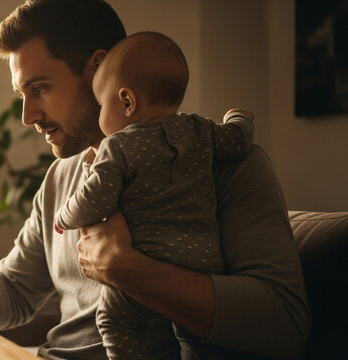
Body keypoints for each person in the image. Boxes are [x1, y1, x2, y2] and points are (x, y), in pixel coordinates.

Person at [0, 1, 311, 358]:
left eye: (39, 89)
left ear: (98, 71)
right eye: (22, 94)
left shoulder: (222, 163)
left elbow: (283, 320)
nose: (27, 117)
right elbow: (14, 291)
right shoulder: (62, 176)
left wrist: (126, 269)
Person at [52, 31, 254, 359]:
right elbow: (238, 139)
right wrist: (240, 118)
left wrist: (64, 216)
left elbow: (95, 199)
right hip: (204, 265)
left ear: (127, 102)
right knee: (193, 332)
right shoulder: (199, 130)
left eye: (102, 104)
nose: (101, 113)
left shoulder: (117, 147)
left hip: (148, 262)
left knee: (114, 320)